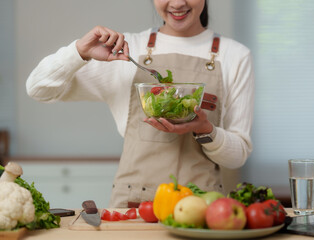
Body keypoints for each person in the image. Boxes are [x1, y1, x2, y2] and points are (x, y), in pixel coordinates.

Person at [26, 0, 254, 208]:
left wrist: (205, 130)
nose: (176, 3)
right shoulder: (125, 51)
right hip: (134, 205)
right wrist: (79, 52)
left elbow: (238, 156)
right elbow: (38, 89)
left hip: (201, 206)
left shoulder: (234, 55)